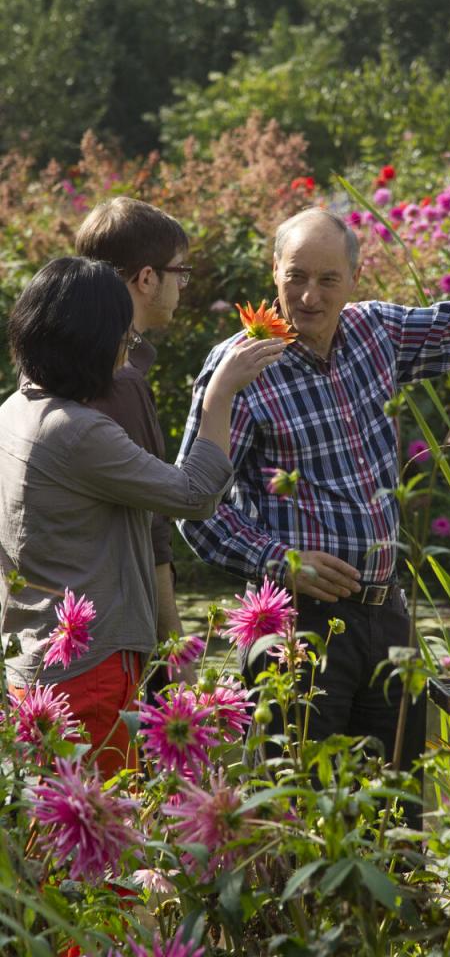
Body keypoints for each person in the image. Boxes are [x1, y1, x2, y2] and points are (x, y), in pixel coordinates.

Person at [176, 157, 450, 780]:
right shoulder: (240, 369)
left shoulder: (375, 331)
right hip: (299, 626)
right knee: (299, 810)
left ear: (354, 277)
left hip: (387, 615)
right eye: (295, 277)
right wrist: (280, 561)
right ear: (274, 272)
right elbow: (195, 509)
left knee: (396, 806)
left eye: (328, 278)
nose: (309, 295)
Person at [0, 256, 285, 777]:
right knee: (104, 830)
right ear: (94, 340)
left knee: (45, 838)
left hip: (31, 665)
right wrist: (220, 393)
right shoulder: (78, 430)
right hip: (89, 672)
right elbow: (195, 495)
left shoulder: (13, 412)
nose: (126, 351)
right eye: (125, 338)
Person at [75, 197, 191, 669]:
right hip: (116, 638)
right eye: (180, 272)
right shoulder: (119, 378)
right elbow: (153, 522)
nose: (182, 286)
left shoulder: (67, 358)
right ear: (147, 278)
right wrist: (177, 649)